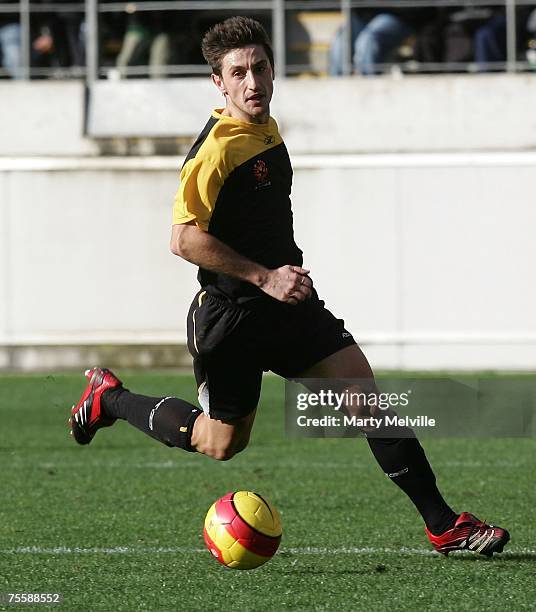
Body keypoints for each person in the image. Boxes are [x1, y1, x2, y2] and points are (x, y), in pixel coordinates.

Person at [69, 16, 509, 557]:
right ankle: (109, 399)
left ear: (274, 71)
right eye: (239, 73)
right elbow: (183, 239)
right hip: (232, 318)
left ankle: (444, 525)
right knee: (220, 441)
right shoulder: (214, 151)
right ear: (219, 83)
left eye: (260, 67)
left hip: (289, 306)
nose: (252, 81)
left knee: (366, 398)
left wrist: (281, 279)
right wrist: (265, 276)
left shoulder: (266, 128)